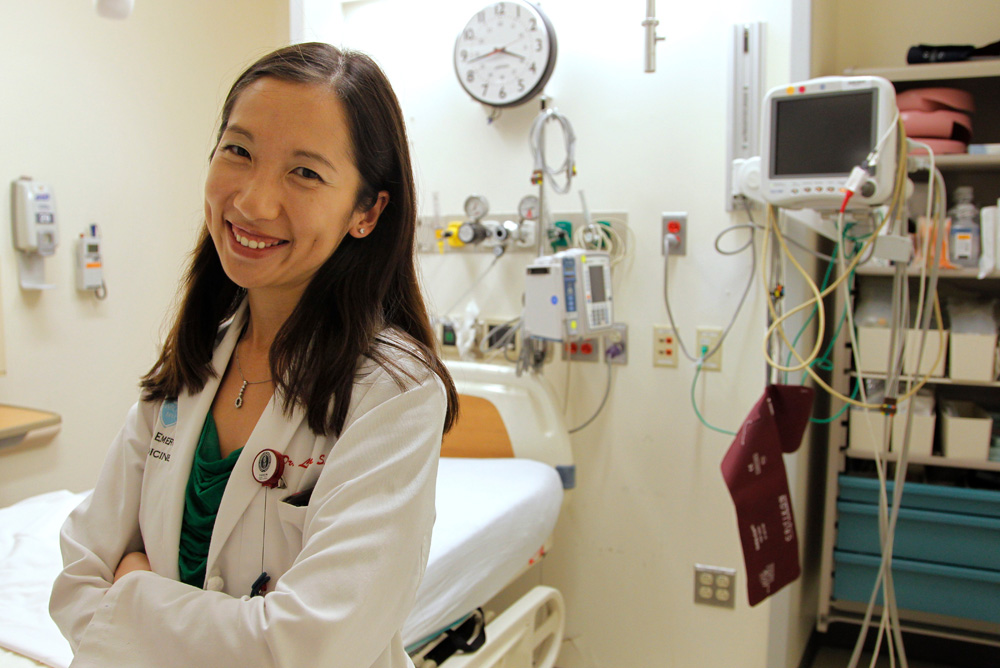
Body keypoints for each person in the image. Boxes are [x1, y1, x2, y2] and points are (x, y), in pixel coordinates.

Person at [49, 42, 458, 668]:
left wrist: (132, 591)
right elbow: (79, 572)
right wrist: (223, 626)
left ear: (368, 211)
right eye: (238, 151)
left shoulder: (392, 391)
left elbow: (310, 645)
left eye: (305, 172)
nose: (252, 203)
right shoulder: (195, 356)